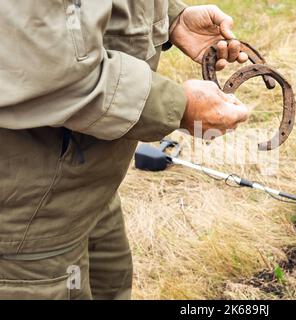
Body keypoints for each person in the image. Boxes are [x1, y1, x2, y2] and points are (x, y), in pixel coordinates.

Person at [0, 0, 249, 299]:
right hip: (27, 219)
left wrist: (172, 18)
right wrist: (178, 106)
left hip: (89, 187)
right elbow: (47, 71)